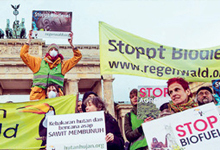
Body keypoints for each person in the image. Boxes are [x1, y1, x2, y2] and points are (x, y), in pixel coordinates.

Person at [20, 30, 82, 100]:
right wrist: (29, 40)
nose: (53, 51)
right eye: (51, 49)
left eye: (55, 49)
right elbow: (23, 54)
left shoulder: (62, 65)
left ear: (58, 52)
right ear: (48, 52)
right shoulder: (38, 62)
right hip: (38, 97)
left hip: (56, 97)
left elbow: (78, 57)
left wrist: (72, 44)